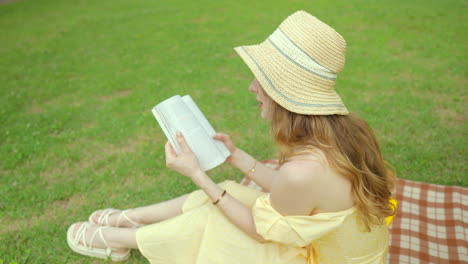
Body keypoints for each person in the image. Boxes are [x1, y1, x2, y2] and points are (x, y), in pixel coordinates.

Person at [67, 10, 397, 264]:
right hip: (335, 245)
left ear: (284, 95)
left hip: (321, 257)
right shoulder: (346, 128)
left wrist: (198, 175)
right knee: (226, 192)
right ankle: (132, 220)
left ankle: (120, 238)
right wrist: (235, 155)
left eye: (262, 82)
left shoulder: (305, 170)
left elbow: (262, 231)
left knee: (216, 219)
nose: (252, 88)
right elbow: (302, 200)